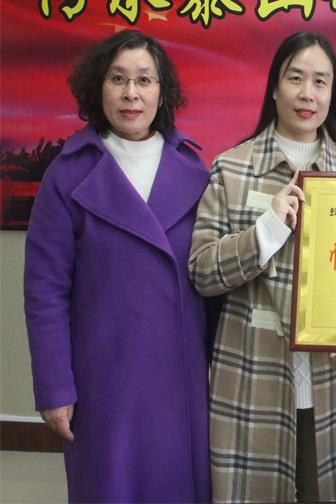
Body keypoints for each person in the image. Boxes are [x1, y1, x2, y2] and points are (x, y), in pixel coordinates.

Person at [188, 32, 336, 503]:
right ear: (274, 88)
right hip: (252, 380)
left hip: (333, 384)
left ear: (333, 95)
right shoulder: (232, 168)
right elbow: (202, 271)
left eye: (320, 82)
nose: (307, 94)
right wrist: (265, 232)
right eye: (295, 78)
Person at [24, 30, 211, 503]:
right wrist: (54, 387)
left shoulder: (195, 173)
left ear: (162, 92)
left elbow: (216, 277)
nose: (132, 93)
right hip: (102, 379)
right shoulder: (68, 173)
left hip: (182, 379)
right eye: (118, 79)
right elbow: (45, 291)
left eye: (145, 80)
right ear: (98, 88)